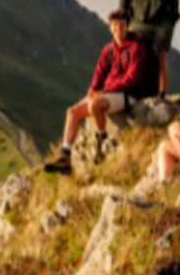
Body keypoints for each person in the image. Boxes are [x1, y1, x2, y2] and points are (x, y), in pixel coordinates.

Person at [46, 10, 154, 174]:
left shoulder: (136, 48)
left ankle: (102, 137)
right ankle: (65, 156)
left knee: (95, 105)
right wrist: (92, 91)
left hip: (128, 94)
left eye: (123, 24)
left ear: (127, 26)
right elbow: (99, 73)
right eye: (115, 25)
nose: (119, 28)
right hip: (107, 93)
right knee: (72, 112)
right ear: (110, 28)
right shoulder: (108, 49)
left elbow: (132, 79)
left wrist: (104, 91)